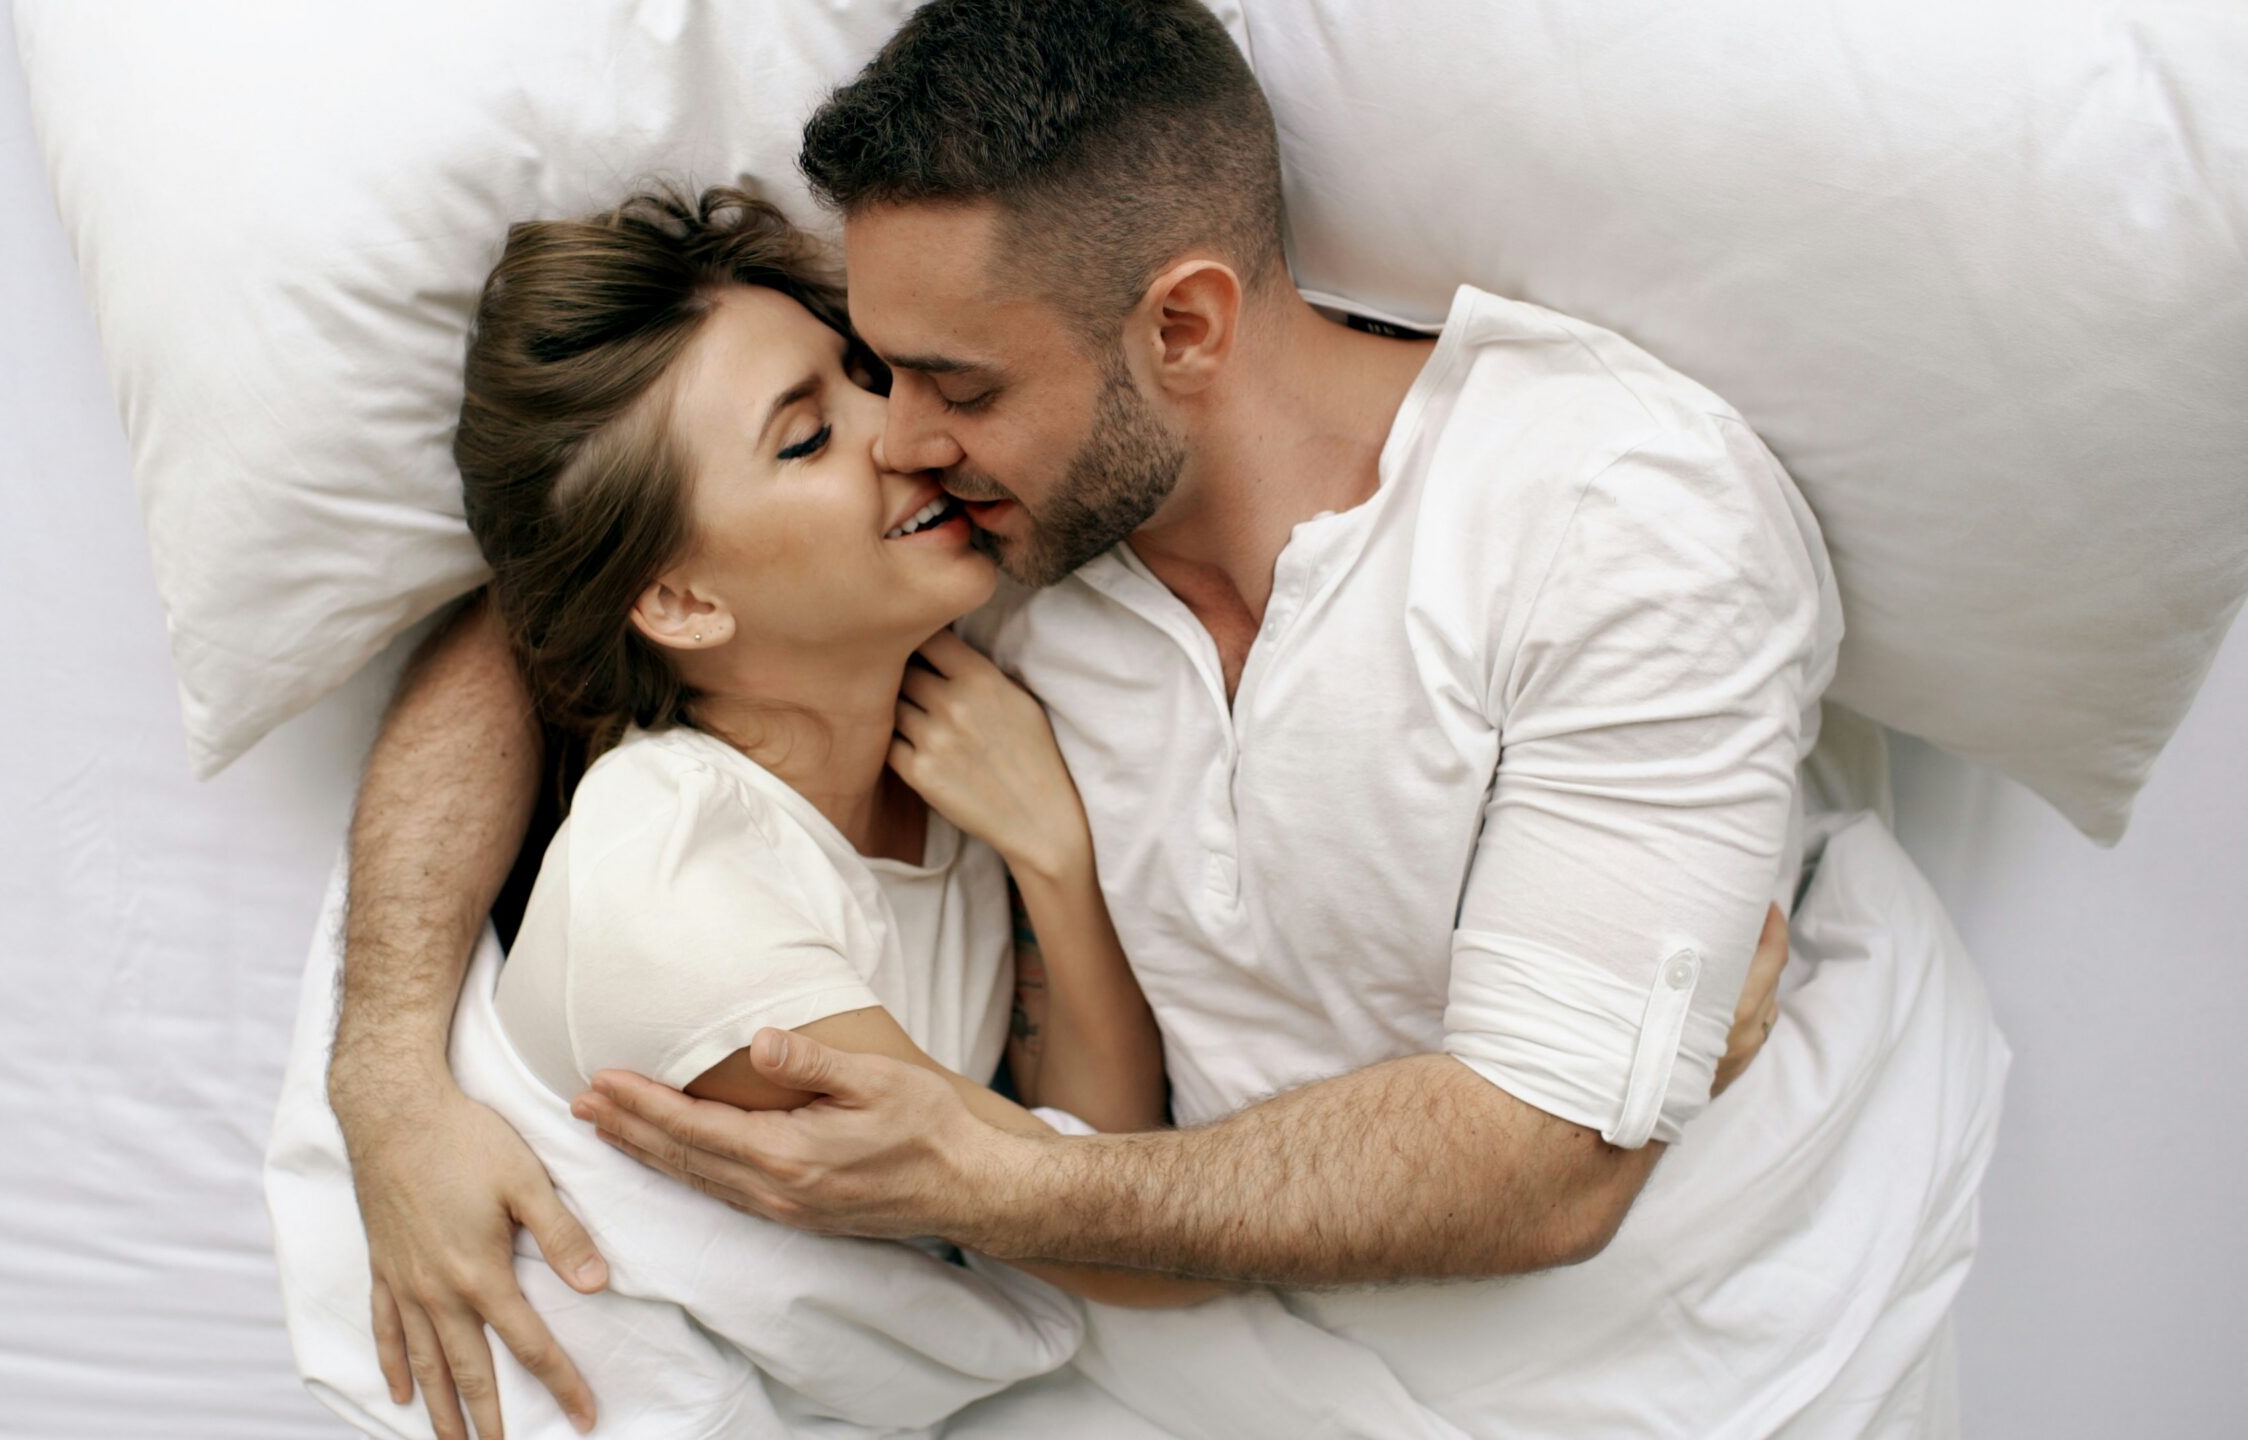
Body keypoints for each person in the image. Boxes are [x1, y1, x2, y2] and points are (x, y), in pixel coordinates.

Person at [328, 3, 2006, 1437]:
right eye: (867, 372)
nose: (901, 441)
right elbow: (541, 594)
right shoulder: (988, 538)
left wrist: (1012, 1183)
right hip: (1203, 1345)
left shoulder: (1610, 519)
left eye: (952, 387)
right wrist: (386, 1067)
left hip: (1697, 1362)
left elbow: (1546, 1175)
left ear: (1182, 329)